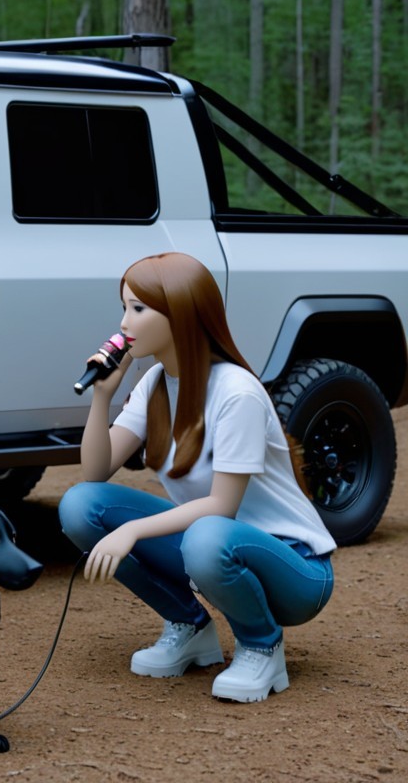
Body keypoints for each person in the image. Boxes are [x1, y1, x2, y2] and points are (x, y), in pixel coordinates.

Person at [58, 252, 335, 703]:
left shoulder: (236, 392)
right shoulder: (154, 384)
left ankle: (262, 645)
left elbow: (221, 507)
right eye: (124, 307)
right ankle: (190, 627)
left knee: (206, 535)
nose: (124, 323)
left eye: (139, 308)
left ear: (181, 312)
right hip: (211, 544)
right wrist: (101, 400)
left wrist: (131, 530)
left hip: (296, 568)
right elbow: (94, 474)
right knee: (79, 505)